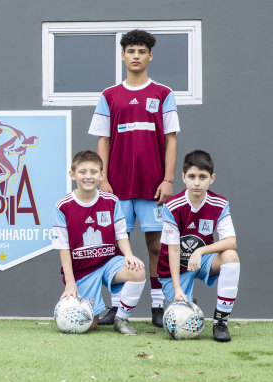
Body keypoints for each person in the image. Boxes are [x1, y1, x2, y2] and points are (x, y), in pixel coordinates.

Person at [88, 29, 180, 327]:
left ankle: (157, 306)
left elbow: (171, 139)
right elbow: (103, 141)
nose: (136, 56)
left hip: (153, 186)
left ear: (150, 55)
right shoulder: (109, 95)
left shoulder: (164, 93)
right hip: (117, 186)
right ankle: (116, 307)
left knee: (156, 245)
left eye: (142, 51)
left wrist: (167, 179)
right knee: (116, 247)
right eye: (131, 51)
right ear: (123, 55)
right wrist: (103, 177)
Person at [52, 151, 146, 335]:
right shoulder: (62, 206)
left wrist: (128, 255)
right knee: (89, 324)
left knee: (137, 270)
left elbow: (121, 234)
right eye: (83, 172)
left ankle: (121, 319)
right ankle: (84, 307)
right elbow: (64, 248)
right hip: (83, 269)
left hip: (108, 262)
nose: (88, 176)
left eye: (94, 172)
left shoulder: (111, 201)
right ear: (72, 175)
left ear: (101, 175)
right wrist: (70, 282)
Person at [158, 150, 239, 342]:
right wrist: (177, 289)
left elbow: (231, 241)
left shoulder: (219, 203)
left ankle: (221, 322)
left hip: (201, 260)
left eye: (202, 177)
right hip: (174, 268)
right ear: (183, 177)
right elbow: (174, 249)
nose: (197, 182)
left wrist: (200, 250)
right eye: (192, 176)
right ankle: (181, 296)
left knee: (231, 257)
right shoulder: (172, 206)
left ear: (211, 179)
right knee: (179, 325)